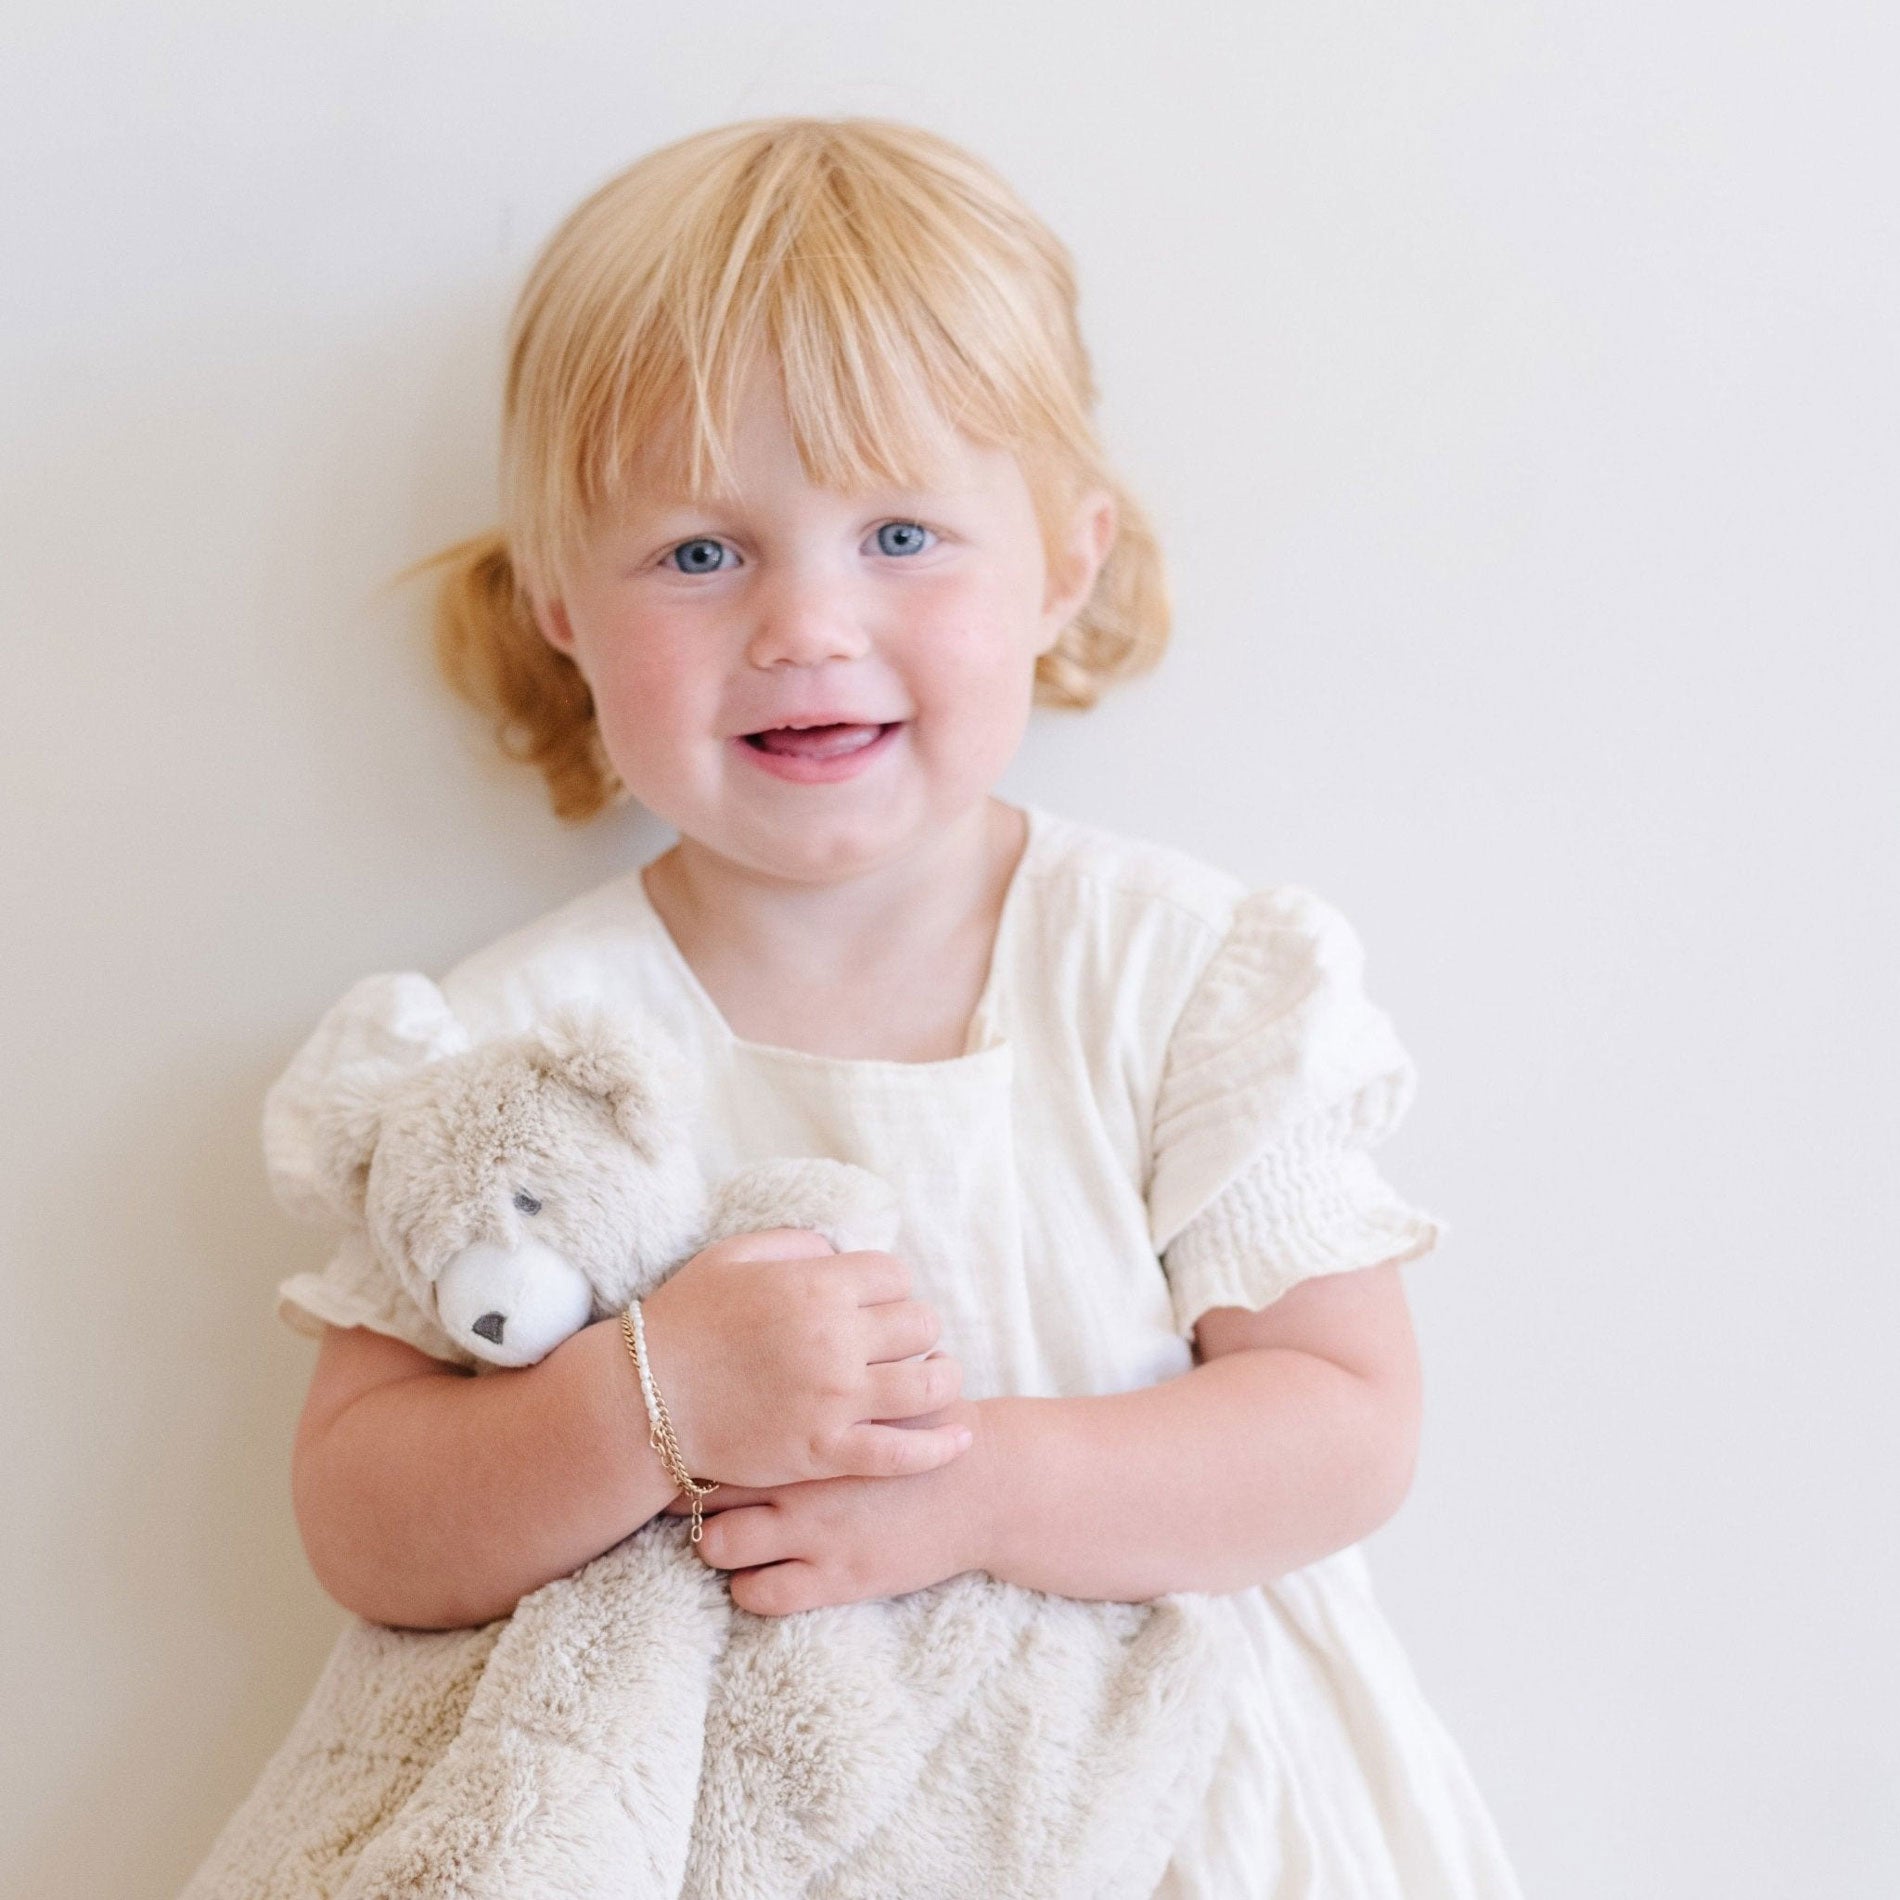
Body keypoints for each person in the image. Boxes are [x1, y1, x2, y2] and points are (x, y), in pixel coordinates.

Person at [244, 116, 1523, 1895]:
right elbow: (365, 1519)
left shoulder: (1175, 978)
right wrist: (652, 1398)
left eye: (902, 533)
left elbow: (1343, 1424)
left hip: (1168, 1813)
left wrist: (979, 1489)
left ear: (1063, 565)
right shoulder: (514, 1050)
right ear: (561, 606)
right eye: (701, 554)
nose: (807, 625)